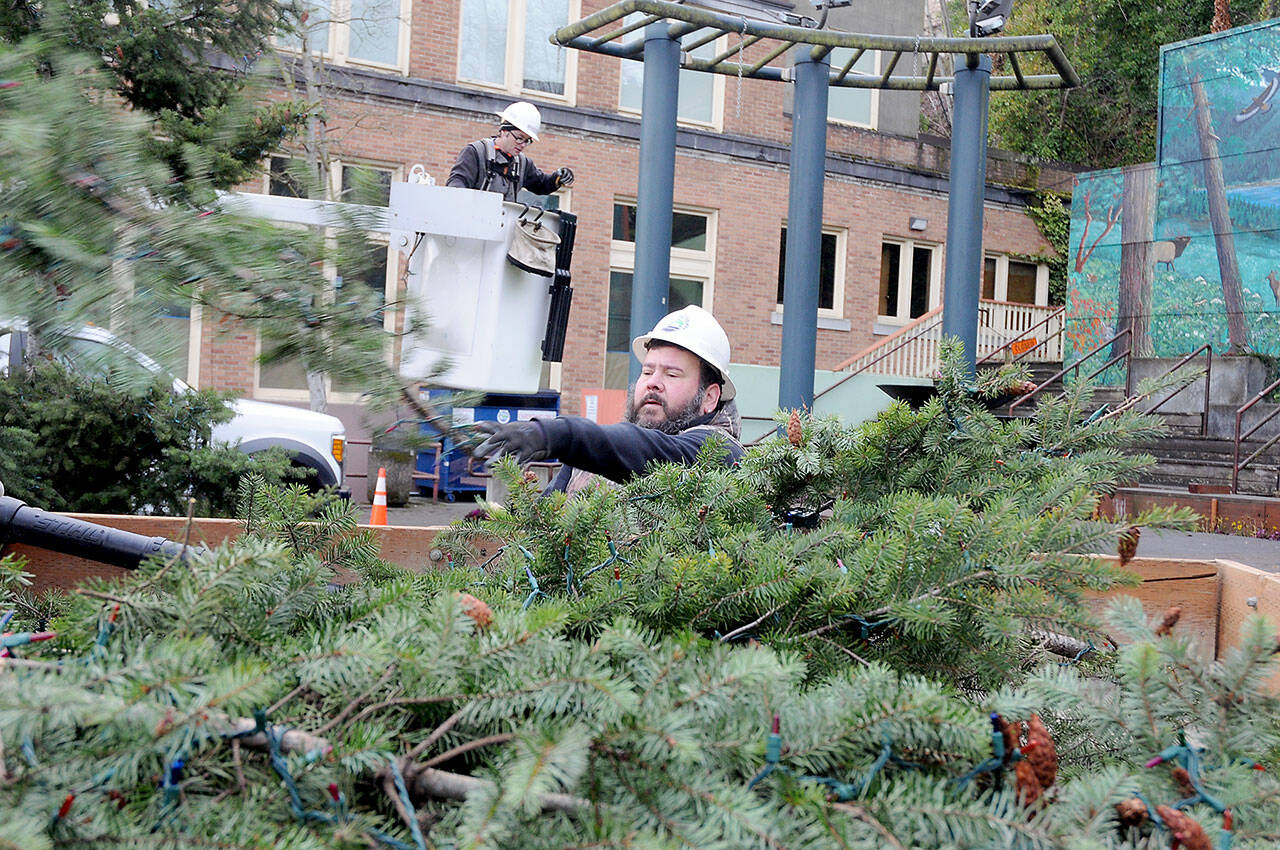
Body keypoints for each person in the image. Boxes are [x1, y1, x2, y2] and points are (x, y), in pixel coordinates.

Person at [473, 305, 743, 494]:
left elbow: (651, 451)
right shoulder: (597, 454)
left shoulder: (717, 451)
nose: (652, 382)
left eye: (672, 374)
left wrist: (555, 434)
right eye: (647, 371)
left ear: (709, 397)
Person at [446, 101, 574, 202]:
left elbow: (541, 184)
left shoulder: (523, 164)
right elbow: (456, 186)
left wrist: (558, 178)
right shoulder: (475, 153)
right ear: (504, 131)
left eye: (527, 140)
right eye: (519, 138)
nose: (523, 145)